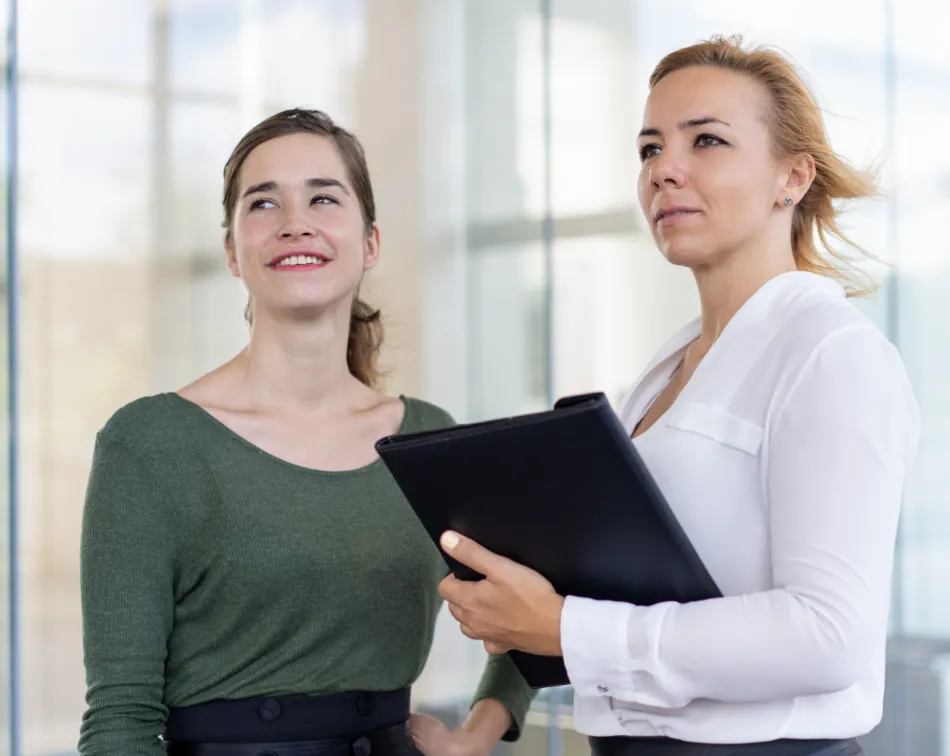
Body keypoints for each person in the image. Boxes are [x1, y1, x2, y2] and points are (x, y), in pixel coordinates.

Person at [435, 35, 918, 756]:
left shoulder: (830, 353)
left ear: (792, 177)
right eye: (650, 149)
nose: (666, 170)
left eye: (708, 141)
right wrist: (496, 688)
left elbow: (829, 636)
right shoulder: (665, 370)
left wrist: (567, 626)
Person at [78, 108, 532, 756]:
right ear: (233, 251)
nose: (296, 221)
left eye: (324, 196)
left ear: (370, 240)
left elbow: (537, 608)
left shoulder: (430, 440)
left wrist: (476, 736)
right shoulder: (150, 445)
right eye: (264, 203)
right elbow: (119, 723)